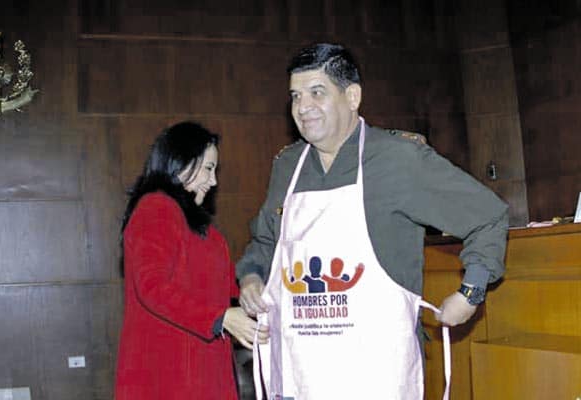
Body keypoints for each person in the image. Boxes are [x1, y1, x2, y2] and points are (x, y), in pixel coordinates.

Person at [236, 43, 509, 399]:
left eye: (317, 92)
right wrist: (251, 276)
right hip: (301, 371)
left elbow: (487, 216)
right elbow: (265, 241)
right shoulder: (287, 166)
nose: (302, 107)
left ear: (352, 96)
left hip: (376, 371)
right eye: (295, 96)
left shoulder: (399, 158)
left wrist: (470, 293)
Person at [114, 121, 269, 400]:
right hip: (169, 374)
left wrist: (256, 291)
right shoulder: (155, 207)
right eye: (208, 168)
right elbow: (152, 287)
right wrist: (220, 318)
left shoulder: (199, 225)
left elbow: (225, 286)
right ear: (180, 163)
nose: (214, 181)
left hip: (202, 370)